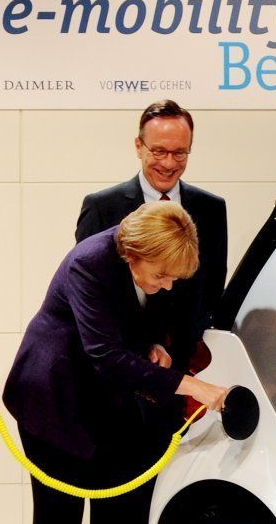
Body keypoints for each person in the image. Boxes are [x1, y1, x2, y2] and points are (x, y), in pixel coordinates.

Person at [4, 202, 228, 524]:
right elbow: (104, 354)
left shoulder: (157, 267)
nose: (168, 285)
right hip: (55, 400)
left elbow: (139, 321)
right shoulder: (89, 261)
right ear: (133, 254)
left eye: (175, 278)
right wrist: (190, 385)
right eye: (161, 275)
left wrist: (153, 344)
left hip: (114, 401)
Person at [75, 100, 227, 372]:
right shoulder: (101, 207)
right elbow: (89, 291)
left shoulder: (212, 209)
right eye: (159, 151)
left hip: (187, 364)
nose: (169, 163)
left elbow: (213, 288)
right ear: (138, 146)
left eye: (180, 153)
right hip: (122, 363)